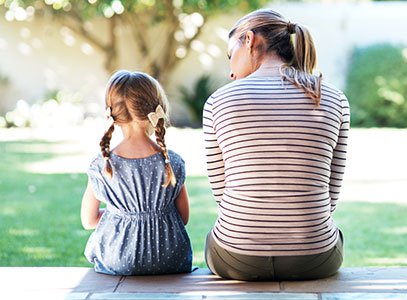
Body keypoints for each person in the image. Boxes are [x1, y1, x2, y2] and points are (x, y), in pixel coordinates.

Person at [203, 9, 350, 281]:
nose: (231, 72)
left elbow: (222, 194)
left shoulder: (218, 101)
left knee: (215, 238)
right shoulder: (333, 99)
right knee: (334, 234)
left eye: (230, 55)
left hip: (237, 258)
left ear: (249, 40)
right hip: (315, 258)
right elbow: (330, 194)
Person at [81, 70, 192, 276]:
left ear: (111, 114)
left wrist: (120, 215)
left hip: (118, 260)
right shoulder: (173, 162)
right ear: (156, 110)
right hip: (170, 258)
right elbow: (183, 217)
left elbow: (88, 221)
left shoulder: (102, 165)